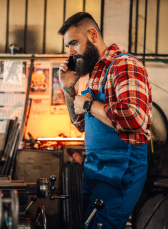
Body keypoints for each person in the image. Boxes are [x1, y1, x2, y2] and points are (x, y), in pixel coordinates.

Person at [58, 12, 152, 229]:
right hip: (95, 168)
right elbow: (80, 123)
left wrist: (90, 105)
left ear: (92, 35)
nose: (71, 52)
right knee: (90, 225)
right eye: (68, 46)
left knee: (103, 226)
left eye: (74, 43)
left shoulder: (124, 64)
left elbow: (135, 118)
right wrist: (68, 87)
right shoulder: (93, 75)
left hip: (120, 168)